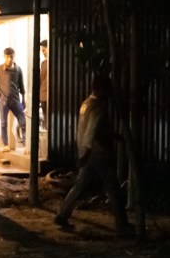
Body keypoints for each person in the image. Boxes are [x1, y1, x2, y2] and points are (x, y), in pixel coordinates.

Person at [54, 75, 134, 236]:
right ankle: (122, 225)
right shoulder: (99, 107)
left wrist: (84, 152)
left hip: (88, 152)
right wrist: (89, 151)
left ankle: (62, 215)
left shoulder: (86, 103)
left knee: (80, 185)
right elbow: (92, 132)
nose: (109, 93)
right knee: (113, 189)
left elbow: (86, 130)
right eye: (108, 89)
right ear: (101, 89)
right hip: (100, 153)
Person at [0, 47, 26, 151]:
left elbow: (22, 87)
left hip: (15, 100)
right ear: (4, 57)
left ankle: (25, 143)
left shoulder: (18, 70)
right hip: (3, 100)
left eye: (11, 57)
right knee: (3, 123)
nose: (9, 59)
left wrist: (23, 100)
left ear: (14, 57)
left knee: (23, 121)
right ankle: (6, 144)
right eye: (7, 57)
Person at [39, 40, 49, 130]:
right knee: (46, 118)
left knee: (48, 118)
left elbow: (41, 79)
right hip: (43, 95)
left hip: (46, 95)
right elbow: (41, 79)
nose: (43, 53)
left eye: (44, 50)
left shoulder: (46, 63)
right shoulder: (43, 63)